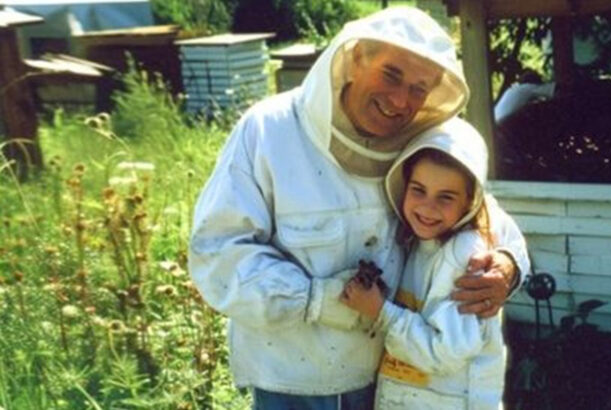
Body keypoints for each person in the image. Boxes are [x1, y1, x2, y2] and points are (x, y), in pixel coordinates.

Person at [188, 6, 530, 410]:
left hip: (388, 381)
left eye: (419, 88)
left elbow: (481, 212)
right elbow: (217, 252)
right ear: (354, 59)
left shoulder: (421, 140)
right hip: (292, 383)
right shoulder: (268, 130)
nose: (401, 100)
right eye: (391, 74)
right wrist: (314, 298)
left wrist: (508, 265)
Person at [342, 118, 506, 409]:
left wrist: (381, 312)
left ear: (470, 201)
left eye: (446, 197)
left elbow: (448, 351)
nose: (427, 207)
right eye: (418, 190)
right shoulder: (416, 243)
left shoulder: (466, 257)